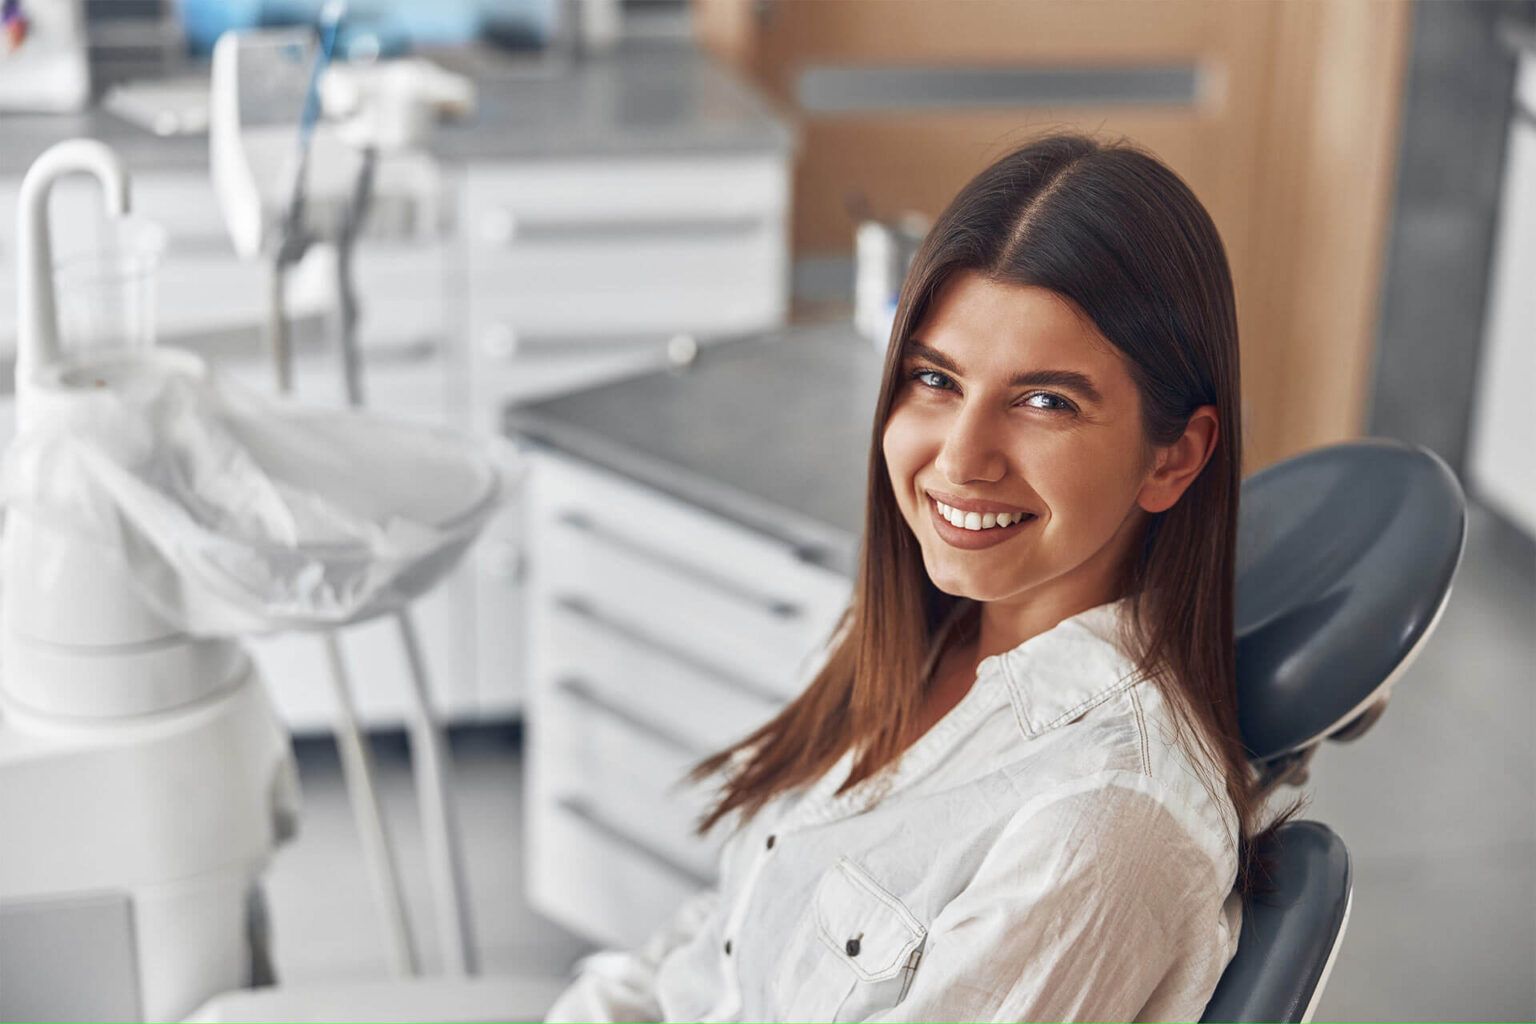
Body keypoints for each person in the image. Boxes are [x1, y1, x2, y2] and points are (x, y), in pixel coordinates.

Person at [545, 131, 1287, 1023]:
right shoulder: (925, 635)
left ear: (1175, 457)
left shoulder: (1105, 823)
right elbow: (733, 936)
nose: (961, 460)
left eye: (1045, 401)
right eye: (935, 379)